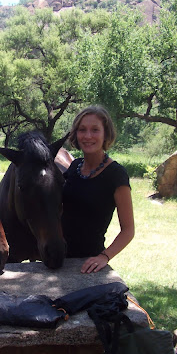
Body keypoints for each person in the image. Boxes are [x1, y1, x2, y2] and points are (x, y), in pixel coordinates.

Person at [61, 105, 134, 274]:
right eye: (82, 130)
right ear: (76, 134)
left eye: (95, 130)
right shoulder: (74, 166)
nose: (88, 136)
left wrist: (104, 257)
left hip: (88, 263)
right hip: (58, 258)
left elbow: (128, 230)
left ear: (106, 134)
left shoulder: (116, 174)